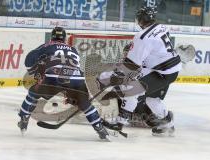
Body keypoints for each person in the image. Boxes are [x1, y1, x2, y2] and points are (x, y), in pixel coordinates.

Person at [99, 6, 181, 136]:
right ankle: (168, 123)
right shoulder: (161, 27)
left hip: (162, 72)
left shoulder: (142, 37)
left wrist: (114, 76)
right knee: (151, 99)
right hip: (172, 68)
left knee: (133, 89)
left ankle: (119, 124)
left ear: (141, 19)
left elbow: (131, 64)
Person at [17, 27, 110, 141]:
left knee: (32, 94)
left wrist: (33, 71)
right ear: (65, 38)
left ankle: (24, 118)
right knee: (85, 104)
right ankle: (99, 127)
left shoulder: (47, 45)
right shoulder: (73, 49)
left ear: (52, 37)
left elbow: (29, 58)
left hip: (54, 77)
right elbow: (75, 66)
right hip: (77, 78)